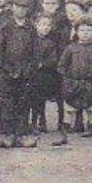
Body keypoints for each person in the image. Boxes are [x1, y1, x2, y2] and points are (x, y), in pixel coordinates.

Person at [0, 0, 40, 149]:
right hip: (7, 73)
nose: (21, 10)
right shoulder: (5, 28)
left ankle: (21, 134)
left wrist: (31, 68)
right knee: (7, 104)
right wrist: (4, 68)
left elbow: (35, 51)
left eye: (25, 7)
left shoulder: (31, 28)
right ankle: (7, 135)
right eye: (18, 7)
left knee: (23, 104)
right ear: (12, 8)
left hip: (25, 73)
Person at [57, 19, 92, 146]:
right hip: (73, 85)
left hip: (91, 84)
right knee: (69, 110)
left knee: (91, 110)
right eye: (82, 30)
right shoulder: (71, 48)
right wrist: (68, 80)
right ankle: (63, 135)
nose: (85, 33)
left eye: (89, 30)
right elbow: (61, 66)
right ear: (77, 32)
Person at [29, 13, 64, 141]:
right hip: (33, 74)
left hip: (48, 74)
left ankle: (60, 122)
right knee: (35, 98)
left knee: (46, 92)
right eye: (43, 24)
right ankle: (37, 121)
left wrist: (42, 64)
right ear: (36, 25)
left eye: (48, 25)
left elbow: (53, 59)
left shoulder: (51, 43)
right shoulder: (31, 40)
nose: (46, 27)